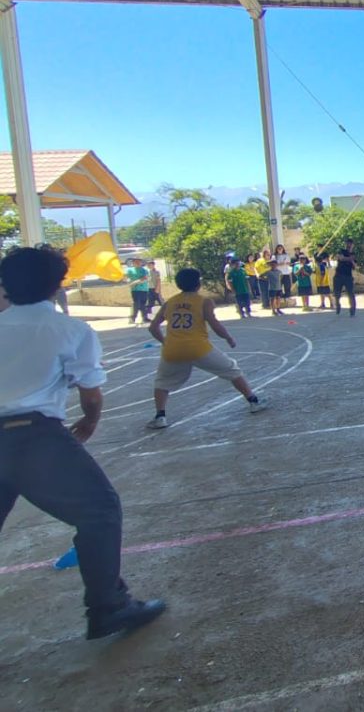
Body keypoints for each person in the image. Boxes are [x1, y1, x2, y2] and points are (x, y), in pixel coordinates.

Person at [0, 246, 167, 641]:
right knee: (100, 511)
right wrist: (90, 422)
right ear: (57, 285)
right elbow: (90, 392)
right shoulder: (71, 331)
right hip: (34, 436)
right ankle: (109, 606)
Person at [145, 267, 266, 430]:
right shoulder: (204, 301)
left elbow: (153, 327)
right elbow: (214, 324)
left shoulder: (170, 302)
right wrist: (228, 337)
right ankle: (253, 402)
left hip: (172, 350)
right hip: (198, 347)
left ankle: (160, 416)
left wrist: (166, 342)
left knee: (162, 382)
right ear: (198, 284)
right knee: (232, 370)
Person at [333, 239, 357, 316]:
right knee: (337, 293)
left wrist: (349, 258)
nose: (348, 245)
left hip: (348, 276)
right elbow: (340, 258)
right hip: (338, 275)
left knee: (351, 293)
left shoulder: (353, 254)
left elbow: (355, 266)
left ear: (352, 245)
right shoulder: (341, 251)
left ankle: (352, 309)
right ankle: (338, 305)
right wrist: (350, 259)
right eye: (347, 243)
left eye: (350, 244)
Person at [125, 257, 151, 325]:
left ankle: (144, 317)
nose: (138, 263)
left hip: (144, 289)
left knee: (143, 304)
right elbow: (126, 278)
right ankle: (132, 318)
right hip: (135, 290)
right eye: (136, 261)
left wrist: (134, 282)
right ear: (133, 263)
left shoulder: (144, 270)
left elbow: (144, 278)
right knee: (136, 304)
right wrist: (128, 281)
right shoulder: (130, 270)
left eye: (139, 261)